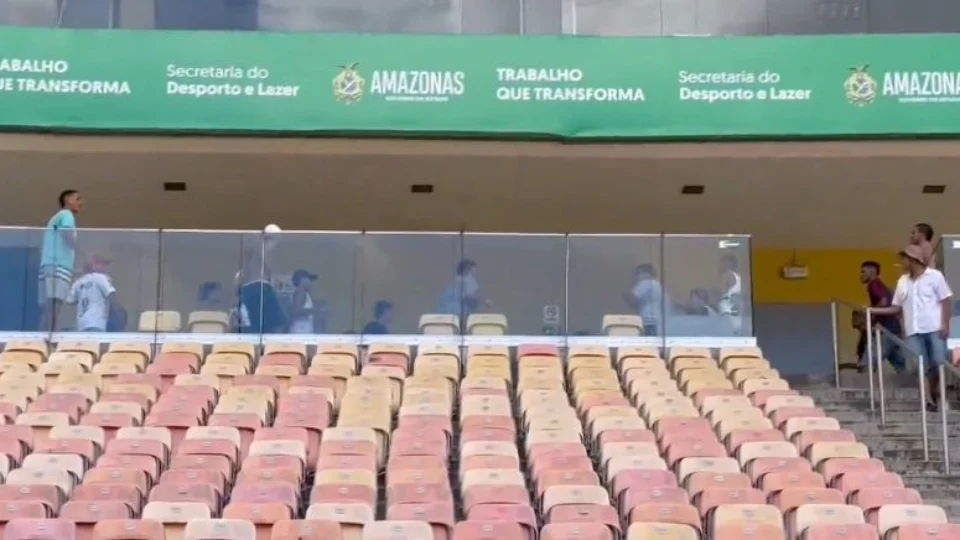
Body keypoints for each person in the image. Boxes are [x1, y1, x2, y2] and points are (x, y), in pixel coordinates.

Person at [870, 245, 952, 411]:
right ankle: (927, 401)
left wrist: (945, 323)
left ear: (913, 260)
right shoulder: (902, 281)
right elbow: (896, 308)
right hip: (913, 331)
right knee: (918, 366)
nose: (901, 262)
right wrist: (872, 310)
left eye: (904, 259)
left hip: (934, 328)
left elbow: (945, 300)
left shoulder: (935, 276)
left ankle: (941, 396)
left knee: (938, 362)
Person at [39, 189, 81, 332]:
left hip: (51, 265)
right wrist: (82, 252)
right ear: (68, 200)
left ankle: (45, 335)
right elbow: (67, 234)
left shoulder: (56, 217)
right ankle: (47, 337)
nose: (80, 203)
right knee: (54, 304)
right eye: (77, 199)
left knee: (51, 305)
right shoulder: (66, 215)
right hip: (58, 266)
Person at [236, 224, 288, 334]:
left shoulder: (254, 251)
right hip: (258, 287)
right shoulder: (261, 248)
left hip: (253, 288)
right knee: (280, 322)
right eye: (277, 239)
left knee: (260, 323)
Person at [859, 261, 906, 373]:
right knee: (899, 363)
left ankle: (864, 388)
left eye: (863, 271)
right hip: (894, 329)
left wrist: (870, 309)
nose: (861, 275)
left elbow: (884, 302)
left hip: (886, 329)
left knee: (868, 362)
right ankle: (910, 384)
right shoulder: (880, 285)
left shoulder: (873, 284)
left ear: (872, 271)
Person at [65, 256, 118, 332]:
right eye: (102, 264)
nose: (104, 268)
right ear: (94, 266)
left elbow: (69, 301)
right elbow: (111, 295)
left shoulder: (79, 281)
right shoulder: (100, 277)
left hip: (81, 324)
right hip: (97, 322)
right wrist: (118, 314)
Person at [623, 264, 670, 336]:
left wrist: (626, 297)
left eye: (638, 273)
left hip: (648, 321)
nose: (636, 276)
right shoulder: (658, 285)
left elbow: (633, 300)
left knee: (648, 344)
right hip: (659, 321)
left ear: (646, 273)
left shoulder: (645, 283)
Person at [289, 269, 318, 334]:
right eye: (309, 279)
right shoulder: (300, 292)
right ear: (302, 280)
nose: (311, 282)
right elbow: (296, 311)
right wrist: (315, 311)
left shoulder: (303, 293)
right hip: (300, 330)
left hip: (303, 330)